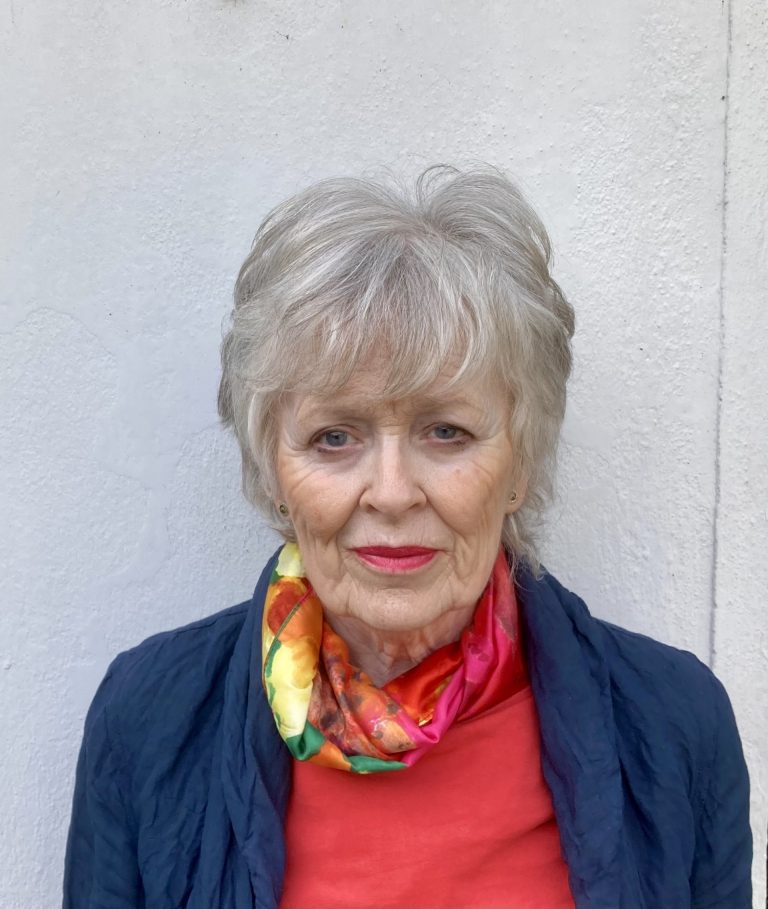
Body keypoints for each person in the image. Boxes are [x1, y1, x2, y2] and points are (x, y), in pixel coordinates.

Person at [63, 167, 752, 909]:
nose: (392, 492)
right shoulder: (149, 717)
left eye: (446, 431)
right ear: (272, 472)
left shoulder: (674, 723)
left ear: (519, 463)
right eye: (334, 436)